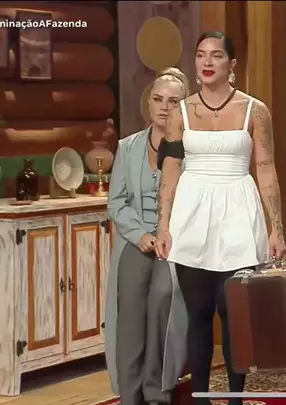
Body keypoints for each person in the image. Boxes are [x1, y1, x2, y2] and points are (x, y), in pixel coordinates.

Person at [154, 32, 286, 405]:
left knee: (233, 311)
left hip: (238, 210)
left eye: (216, 55)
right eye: (200, 55)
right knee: (198, 312)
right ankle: (200, 398)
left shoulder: (255, 110)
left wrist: (276, 228)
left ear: (232, 64)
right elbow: (170, 170)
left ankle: (235, 398)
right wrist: (163, 225)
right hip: (192, 212)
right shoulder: (180, 112)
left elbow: (265, 169)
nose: (207, 62)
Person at [105, 67, 191, 405]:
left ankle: (156, 392)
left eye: (173, 101)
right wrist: (140, 234)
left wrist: (167, 232)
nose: (164, 107)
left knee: (161, 300)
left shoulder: (191, 151)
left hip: (175, 241)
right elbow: (116, 202)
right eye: (158, 99)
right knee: (130, 305)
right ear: (149, 103)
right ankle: (130, 395)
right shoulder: (128, 148)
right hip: (136, 238)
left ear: (183, 106)